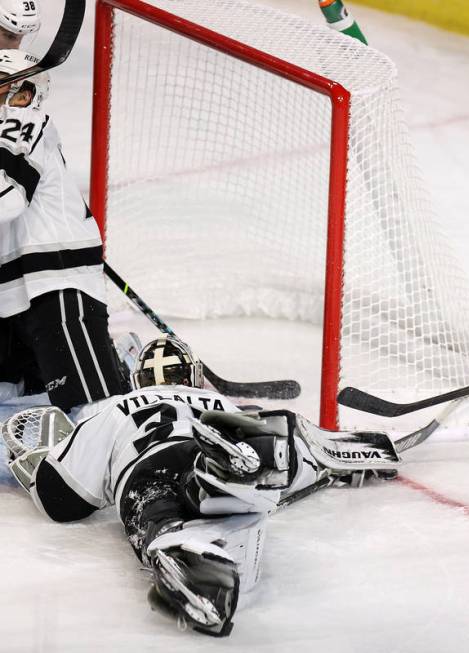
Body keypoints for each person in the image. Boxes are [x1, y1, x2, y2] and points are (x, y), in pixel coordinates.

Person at [3, 336, 403, 636]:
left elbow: (63, 501)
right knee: (267, 454)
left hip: (149, 465)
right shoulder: (220, 403)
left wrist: (38, 470)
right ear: (192, 376)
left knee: (154, 510)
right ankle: (276, 455)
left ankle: (175, 547)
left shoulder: (111, 411)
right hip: (212, 438)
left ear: (138, 381)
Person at [0, 48, 130, 415]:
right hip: (12, 299)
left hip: (54, 284)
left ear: (23, 95)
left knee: (94, 412)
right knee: (20, 405)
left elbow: (6, 200)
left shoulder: (22, 120)